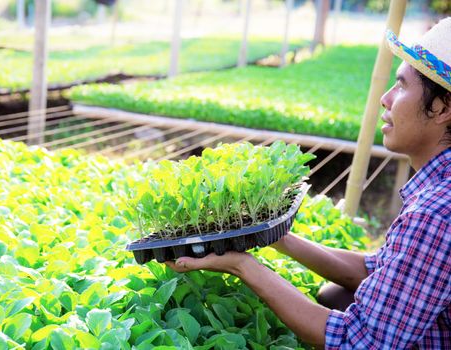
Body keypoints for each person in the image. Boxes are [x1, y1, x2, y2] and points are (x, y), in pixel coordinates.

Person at [166, 17, 451, 349]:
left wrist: (243, 266)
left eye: (401, 85)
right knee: (335, 294)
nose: (385, 99)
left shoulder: (436, 212)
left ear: (443, 108)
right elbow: (377, 269)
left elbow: (359, 343)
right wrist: (275, 236)